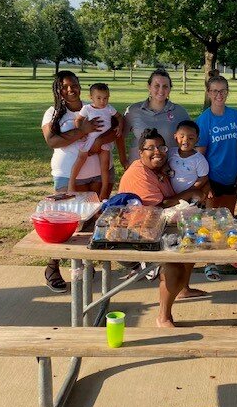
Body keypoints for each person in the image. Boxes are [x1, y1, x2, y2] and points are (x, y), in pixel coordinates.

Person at [118, 128, 206, 326]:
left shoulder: (159, 169)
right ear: (140, 153)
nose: (157, 151)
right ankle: (163, 317)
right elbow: (161, 205)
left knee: (192, 242)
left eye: (161, 147)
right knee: (174, 266)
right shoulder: (139, 174)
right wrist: (192, 192)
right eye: (150, 148)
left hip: (159, 227)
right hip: (136, 238)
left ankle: (182, 289)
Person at [41, 70, 117, 293]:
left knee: (94, 220)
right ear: (58, 89)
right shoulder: (53, 113)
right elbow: (52, 140)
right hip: (67, 174)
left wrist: (99, 141)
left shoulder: (95, 103)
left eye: (73, 84)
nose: (70, 89)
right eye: (64, 86)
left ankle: (86, 262)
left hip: (99, 173)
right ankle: (52, 267)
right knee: (63, 222)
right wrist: (81, 130)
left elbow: (114, 129)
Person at [69, 83, 126, 200]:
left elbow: (120, 117)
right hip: (90, 139)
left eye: (105, 98)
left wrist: (119, 127)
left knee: (104, 167)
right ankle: (71, 184)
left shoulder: (109, 108)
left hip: (105, 142)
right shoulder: (87, 109)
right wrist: (81, 132)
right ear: (91, 97)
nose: (102, 101)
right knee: (80, 159)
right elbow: (78, 120)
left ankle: (104, 191)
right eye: (99, 98)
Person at [196, 75, 237, 213]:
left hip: (232, 177)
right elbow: (200, 156)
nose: (219, 94)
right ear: (208, 92)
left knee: (228, 218)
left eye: (223, 90)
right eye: (215, 91)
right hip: (213, 179)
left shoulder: (235, 115)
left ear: (228, 92)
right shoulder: (204, 120)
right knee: (212, 221)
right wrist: (206, 184)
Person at [123, 68, 190, 163]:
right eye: (157, 86)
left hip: (169, 168)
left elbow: (191, 140)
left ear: (170, 89)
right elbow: (119, 137)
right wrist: (123, 160)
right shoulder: (133, 110)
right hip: (139, 169)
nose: (161, 90)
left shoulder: (180, 112)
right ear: (149, 87)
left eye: (165, 86)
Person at [168, 120, 209, 195]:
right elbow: (164, 164)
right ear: (175, 137)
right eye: (182, 136)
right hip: (171, 194)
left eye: (191, 138)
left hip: (190, 196)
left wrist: (189, 192)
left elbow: (203, 178)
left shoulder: (199, 159)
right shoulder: (170, 153)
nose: (185, 140)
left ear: (197, 140)